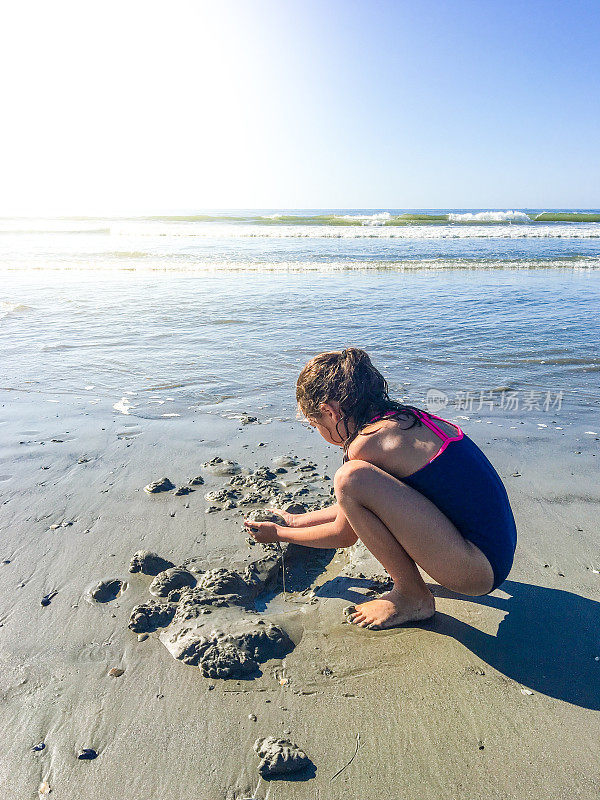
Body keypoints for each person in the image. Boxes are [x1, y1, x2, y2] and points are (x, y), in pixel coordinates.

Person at [244, 348, 517, 630]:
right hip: (495, 554)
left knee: (349, 478)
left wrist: (279, 533)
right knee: (356, 484)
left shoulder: (366, 443)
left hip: (473, 572)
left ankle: (412, 597)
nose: (318, 430)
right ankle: (414, 591)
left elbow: (343, 534)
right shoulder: (405, 420)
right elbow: (377, 503)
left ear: (330, 411)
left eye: (315, 423)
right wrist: (296, 520)